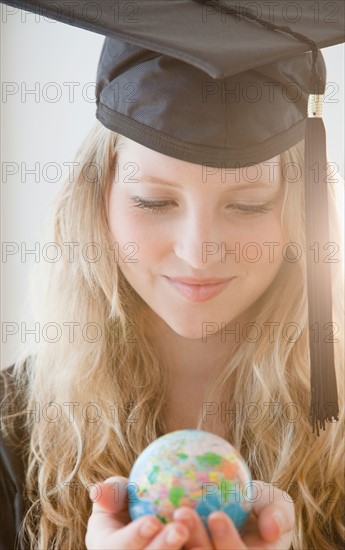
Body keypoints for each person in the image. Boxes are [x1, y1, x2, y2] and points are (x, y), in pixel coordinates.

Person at [0, 1, 344, 549]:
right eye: (155, 201)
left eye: (250, 205)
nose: (199, 252)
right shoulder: (11, 430)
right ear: (97, 201)